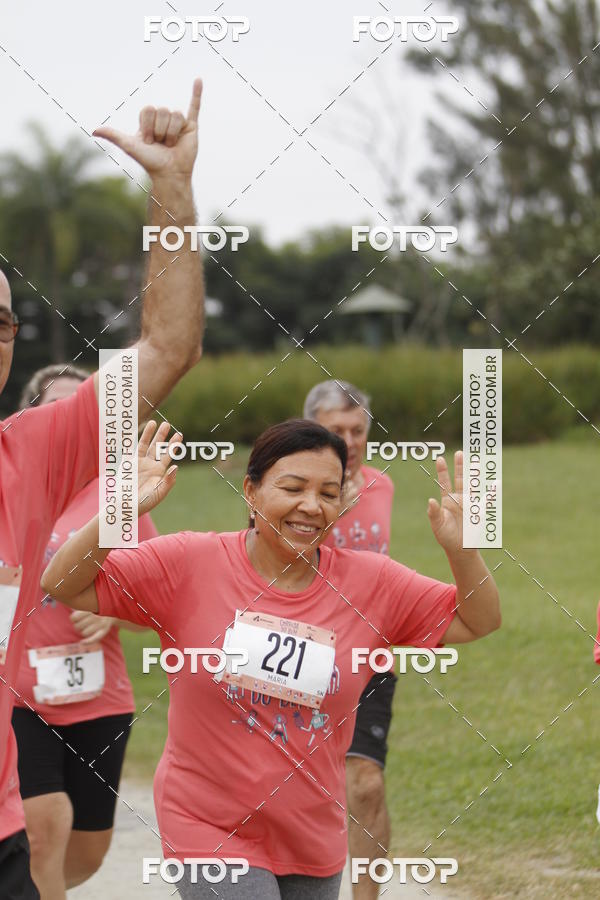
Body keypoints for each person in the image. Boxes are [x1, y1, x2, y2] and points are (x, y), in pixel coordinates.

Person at [42, 417, 501, 899]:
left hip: (311, 833)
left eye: (328, 493)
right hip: (206, 825)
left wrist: (464, 552)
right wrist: (119, 510)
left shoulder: (373, 583)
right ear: (251, 491)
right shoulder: (188, 563)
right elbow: (62, 582)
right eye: (293, 488)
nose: (311, 506)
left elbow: (479, 620)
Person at [0, 78, 206, 899]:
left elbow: (168, 347)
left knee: (70, 857)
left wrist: (171, 187)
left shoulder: (35, 453)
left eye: (2, 323)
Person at [11, 366, 158, 900]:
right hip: (18, 697)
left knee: (87, 852)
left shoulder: (118, 498)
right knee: (43, 831)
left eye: (87, 409)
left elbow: (156, 599)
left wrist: (115, 614)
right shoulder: (11, 488)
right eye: (62, 408)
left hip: (99, 698)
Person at [303, 380, 394, 899]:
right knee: (299, 789)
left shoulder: (382, 485)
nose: (350, 440)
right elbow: (267, 555)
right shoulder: (291, 486)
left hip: (370, 655)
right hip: (301, 651)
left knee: (366, 784)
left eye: (358, 430)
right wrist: (332, 507)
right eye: (337, 429)